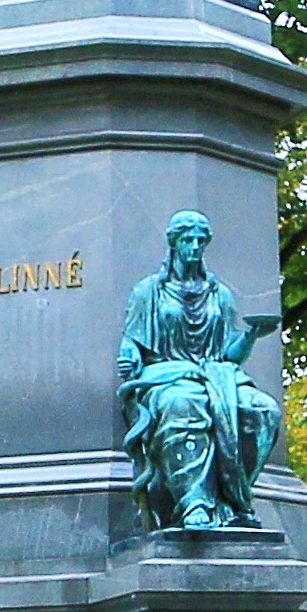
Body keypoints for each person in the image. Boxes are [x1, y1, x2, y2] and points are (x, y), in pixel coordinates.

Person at [114, 210, 279, 533]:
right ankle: (193, 502)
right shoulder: (149, 291)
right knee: (181, 404)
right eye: (187, 240)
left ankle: (235, 499)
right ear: (173, 243)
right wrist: (128, 356)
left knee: (263, 411)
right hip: (166, 374)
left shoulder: (220, 294)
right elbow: (130, 343)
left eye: (201, 241)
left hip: (217, 375)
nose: (194, 247)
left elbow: (230, 354)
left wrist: (250, 336)